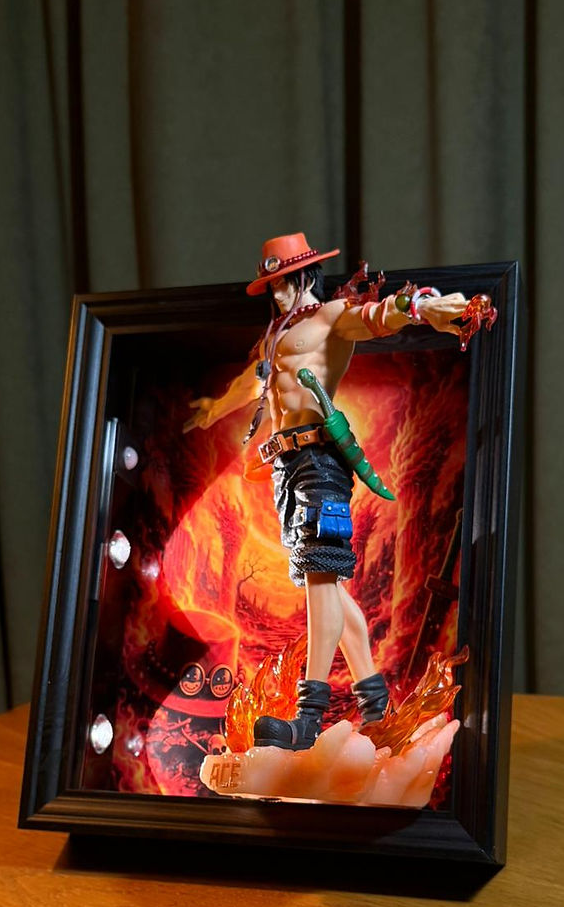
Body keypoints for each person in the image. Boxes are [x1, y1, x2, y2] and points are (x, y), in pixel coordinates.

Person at [185, 232, 476, 751]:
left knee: (321, 580)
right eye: (271, 287)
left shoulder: (329, 318)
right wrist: (214, 408)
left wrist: (423, 307)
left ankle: (307, 719)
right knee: (329, 586)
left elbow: (379, 316)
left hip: (320, 462)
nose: (277, 295)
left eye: (284, 283)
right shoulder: (277, 334)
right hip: (286, 468)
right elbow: (253, 383)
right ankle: (377, 708)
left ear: (305, 276)